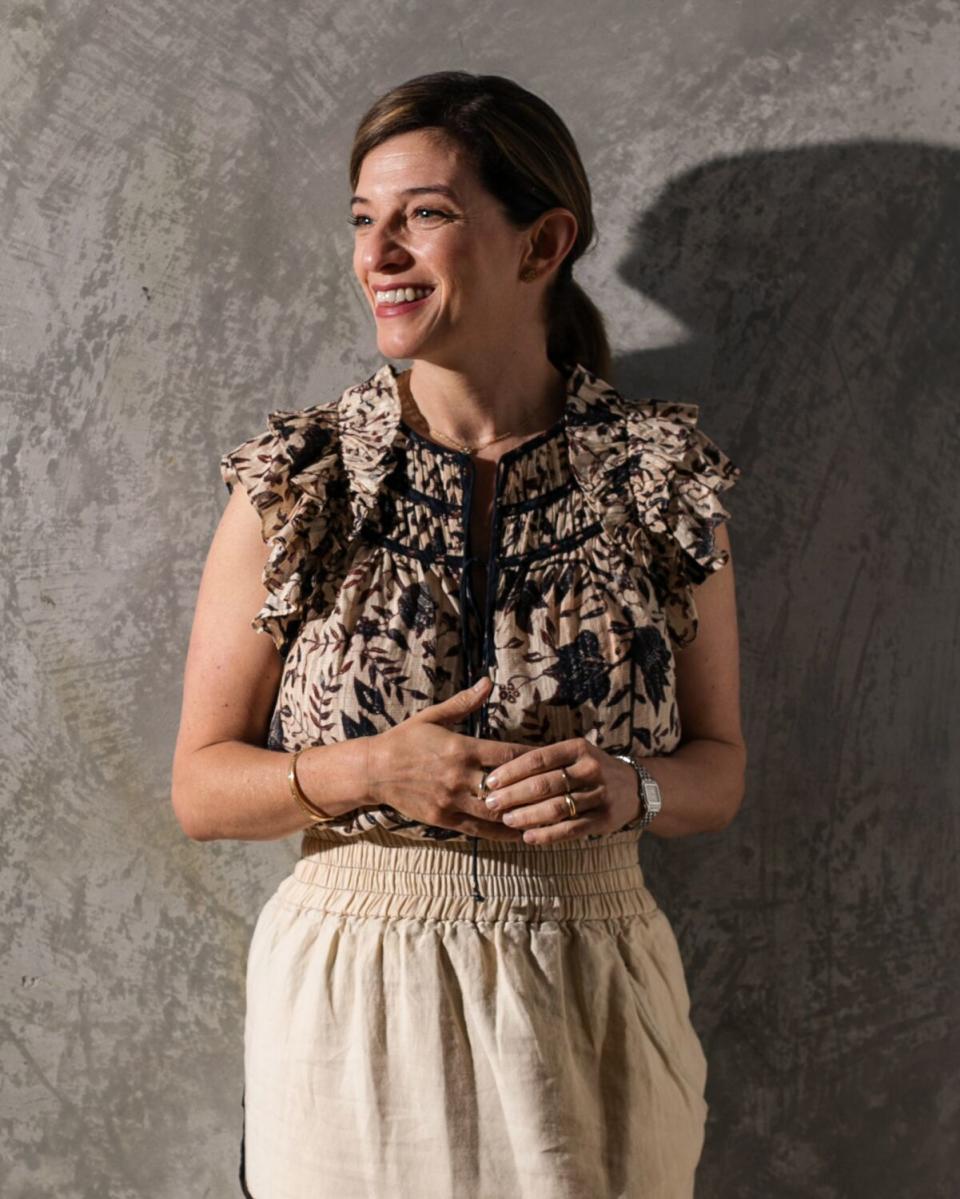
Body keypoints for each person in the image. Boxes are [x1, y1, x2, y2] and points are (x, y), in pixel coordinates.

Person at [171, 70, 746, 1199]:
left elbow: (720, 772)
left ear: (542, 244)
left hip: (594, 983)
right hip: (352, 999)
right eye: (361, 218)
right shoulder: (302, 481)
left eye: (423, 214)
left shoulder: (660, 480)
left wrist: (633, 789)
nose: (376, 252)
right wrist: (371, 768)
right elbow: (200, 786)